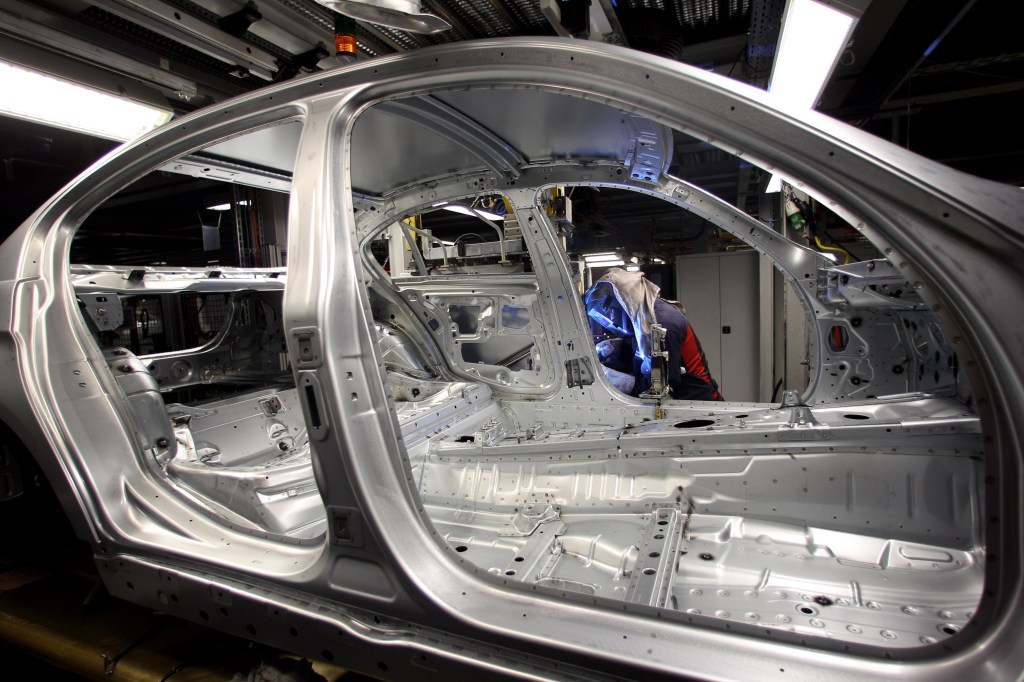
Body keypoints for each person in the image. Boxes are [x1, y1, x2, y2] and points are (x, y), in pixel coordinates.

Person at [584, 267, 722, 401]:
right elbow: (639, 355)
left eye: (612, 313)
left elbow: (659, 387)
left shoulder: (661, 322)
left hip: (695, 402)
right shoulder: (642, 316)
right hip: (677, 401)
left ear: (626, 301)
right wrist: (617, 350)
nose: (612, 321)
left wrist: (613, 379)